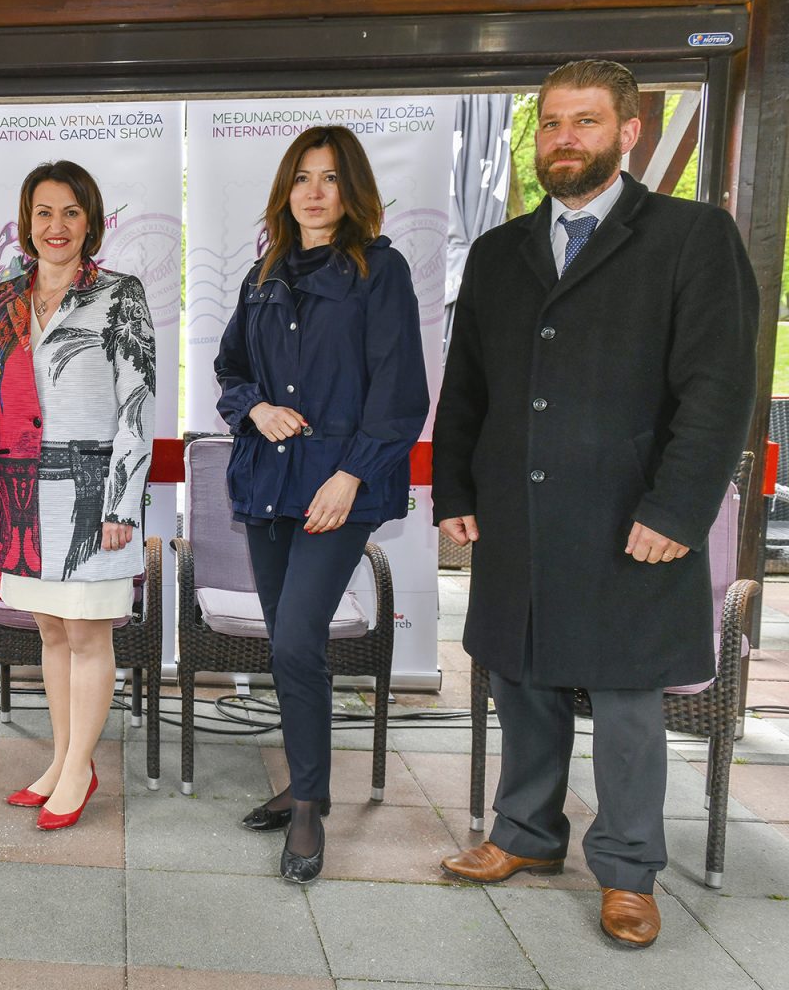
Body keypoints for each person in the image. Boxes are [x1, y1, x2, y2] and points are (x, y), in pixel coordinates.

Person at [433, 60, 757, 948]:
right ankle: (526, 834)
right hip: (516, 513)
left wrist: (677, 511)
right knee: (522, 679)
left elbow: (720, 389)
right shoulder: (499, 252)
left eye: (585, 122)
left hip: (632, 519)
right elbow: (467, 387)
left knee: (626, 704)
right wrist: (455, 488)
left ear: (629, 132)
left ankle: (628, 871)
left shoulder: (693, 237)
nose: (564, 139)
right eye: (551, 124)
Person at [214, 126, 429, 882]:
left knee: (296, 641)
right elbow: (230, 368)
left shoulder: (381, 271)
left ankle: (307, 807)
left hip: (339, 489)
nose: (314, 191)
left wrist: (352, 478)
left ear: (352, 190)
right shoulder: (263, 273)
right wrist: (255, 407)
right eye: (303, 177)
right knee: (288, 643)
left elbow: (400, 394)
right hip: (270, 484)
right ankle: (310, 782)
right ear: (287, 189)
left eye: (330, 178)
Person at [0, 160, 156, 831]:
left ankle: (79, 768)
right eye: (44, 212)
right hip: (23, 496)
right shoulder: (1, 299)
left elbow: (137, 404)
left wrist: (121, 505)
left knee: (86, 631)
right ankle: (62, 759)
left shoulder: (120, 294)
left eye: (71, 212)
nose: (57, 226)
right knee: (50, 629)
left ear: (90, 221)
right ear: (27, 222)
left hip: (94, 494)